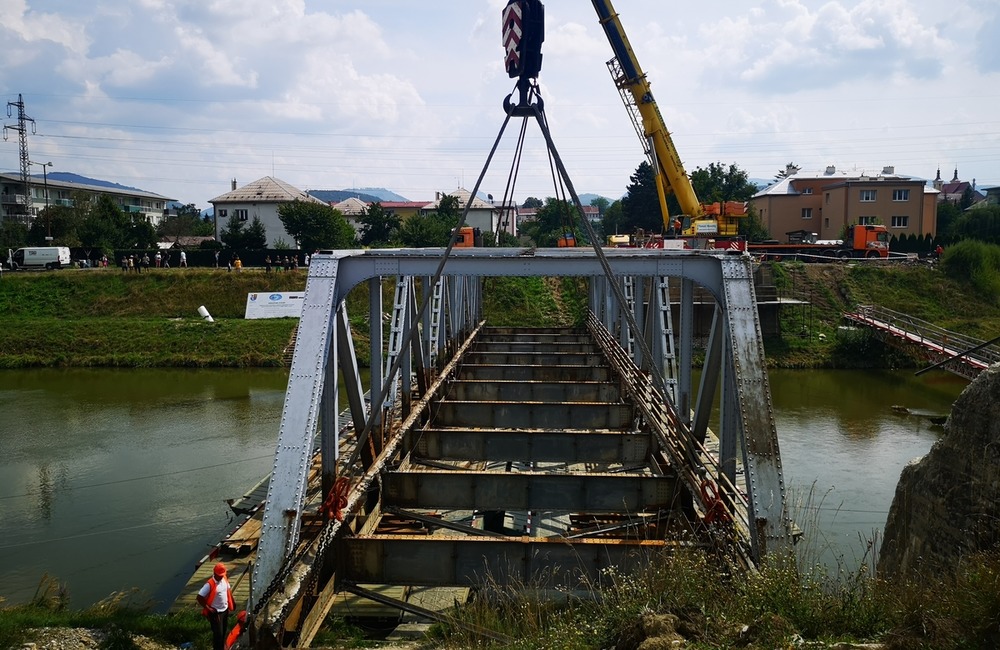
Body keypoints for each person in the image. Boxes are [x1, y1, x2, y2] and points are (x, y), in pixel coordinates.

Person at [197, 562, 235, 650]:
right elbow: (199, 597)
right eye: (219, 575)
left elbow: (228, 591)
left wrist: (232, 602)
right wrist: (208, 608)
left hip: (224, 610)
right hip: (216, 613)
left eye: (222, 575)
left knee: (224, 632)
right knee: (218, 634)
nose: (221, 577)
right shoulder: (209, 584)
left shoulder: (224, 579)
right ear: (214, 573)